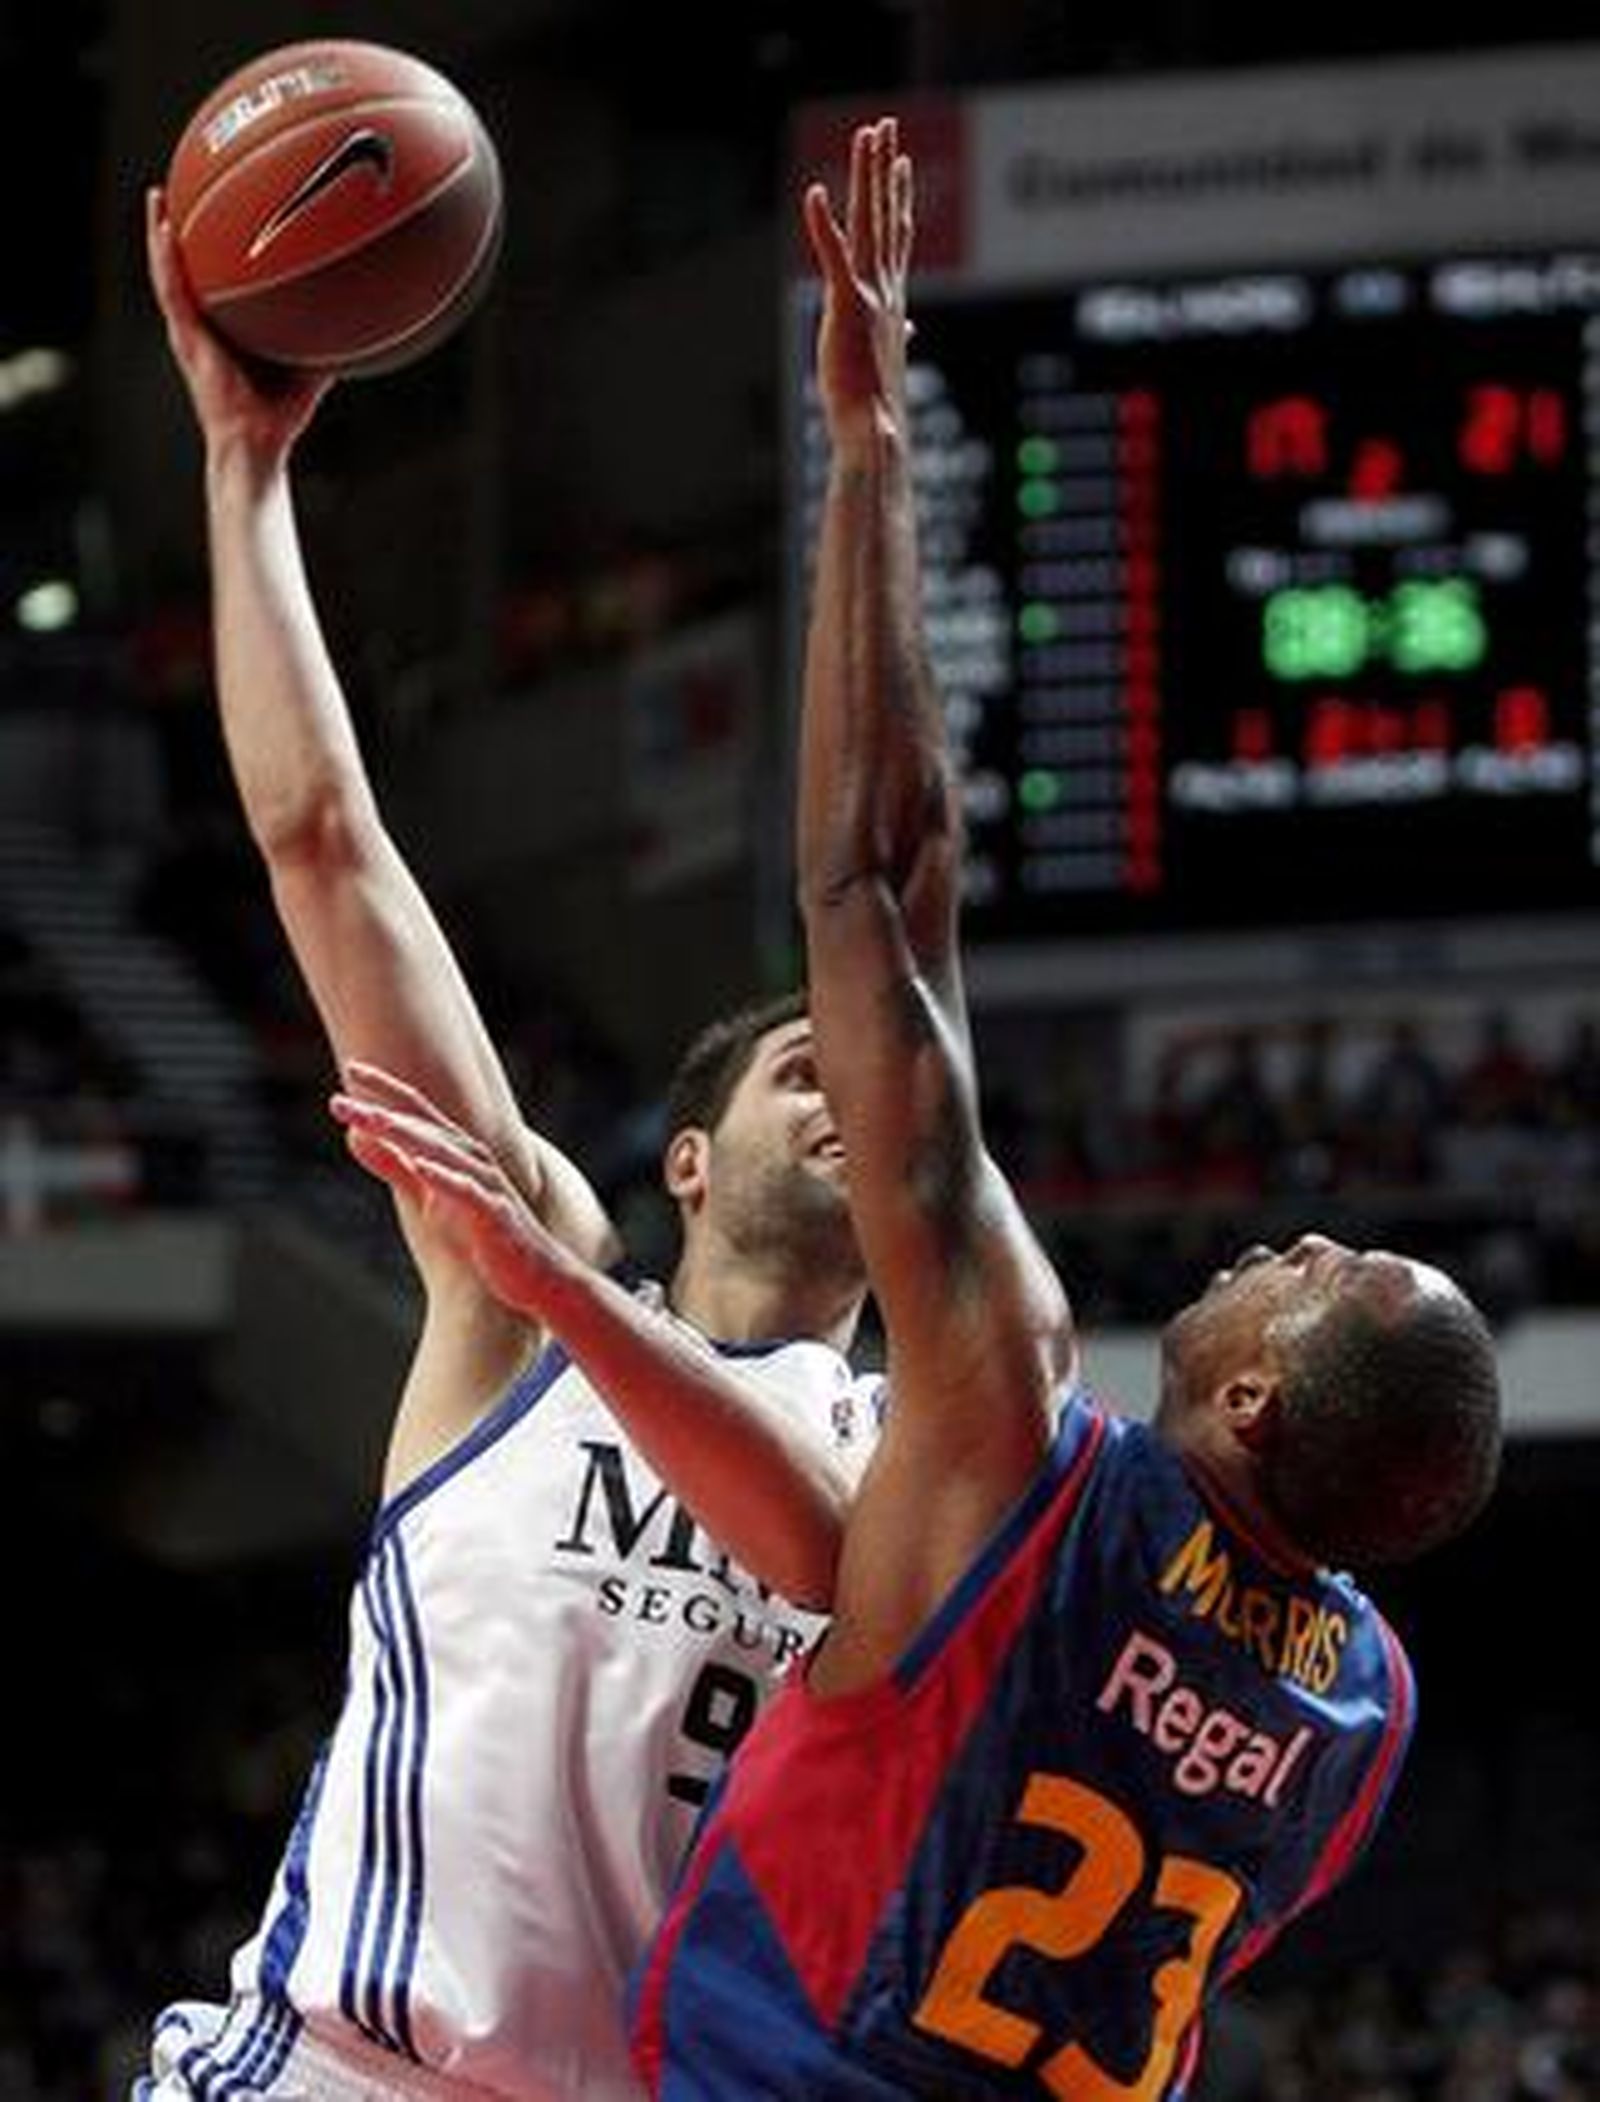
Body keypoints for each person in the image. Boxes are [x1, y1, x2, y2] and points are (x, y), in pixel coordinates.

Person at [620, 117, 1504, 2095]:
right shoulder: (1357, 1702)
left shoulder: (1024, 1431)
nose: (1282, 1240)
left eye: (1316, 1272)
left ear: (1254, 1402)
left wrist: (864, 458)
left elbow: (872, 897)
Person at [140, 190, 878, 2101]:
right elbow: (329, 851)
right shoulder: (525, 1294)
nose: (850, 1088)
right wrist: (242, 472)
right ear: (688, 1163)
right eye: (802, 1062)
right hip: (338, 2070)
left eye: (877, 1072)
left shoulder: (939, 1459)